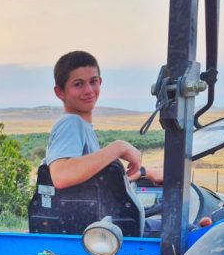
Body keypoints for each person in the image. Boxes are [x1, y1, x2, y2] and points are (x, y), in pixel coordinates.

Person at [44, 51, 163, 188]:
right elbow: (61, 176)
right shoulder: (71, 123)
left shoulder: (82, 126)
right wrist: (119, 147)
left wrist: (145, 173)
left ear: (100, 82)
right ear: (59, 92)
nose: (88, 90)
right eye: (78, 84)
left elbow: (92, 183)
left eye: (93, 81)